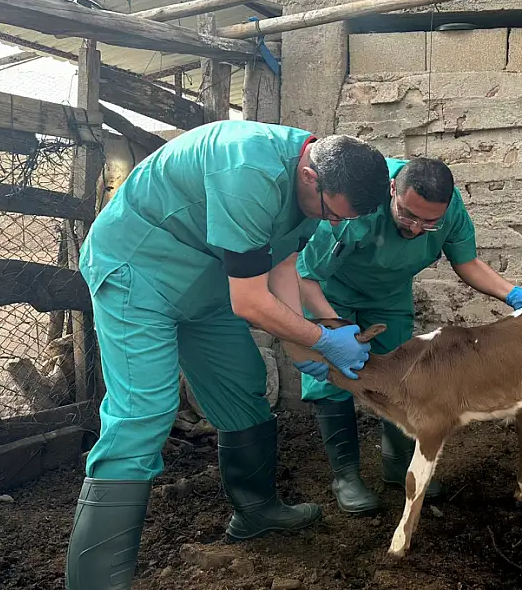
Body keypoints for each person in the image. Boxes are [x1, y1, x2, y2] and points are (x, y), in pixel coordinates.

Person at [65, 120, 392, 590]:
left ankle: (256, 512)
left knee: (243, 386)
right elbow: (251, 303)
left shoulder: (315, 187)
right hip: (138, 272)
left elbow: (281, 266)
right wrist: (322, 339)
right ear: (309, 177)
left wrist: (302, 346)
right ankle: (94, 584)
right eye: (334, 215)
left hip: (205, 287)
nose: (334, 224)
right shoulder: (248, 168)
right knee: (143, 416)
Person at [293, 156, 522, 515]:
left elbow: (467, 262)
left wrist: (512, 293)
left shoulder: (448, 209)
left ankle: (397, 465)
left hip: (389, 296)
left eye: (429, 223)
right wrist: (332, 328)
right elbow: (306, 275)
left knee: (403, 373)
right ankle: (346, 476)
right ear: (393, 189)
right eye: (408, 216)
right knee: (336, 376)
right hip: (332, 294)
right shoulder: (360, 200)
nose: (414, 228)